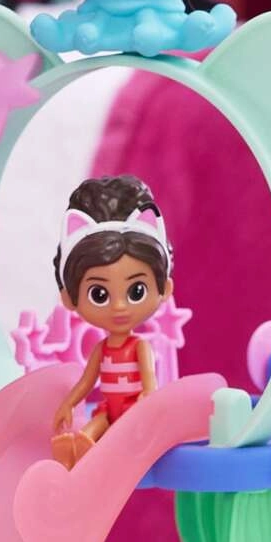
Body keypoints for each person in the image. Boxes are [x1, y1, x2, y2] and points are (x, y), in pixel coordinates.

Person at [47, 177, 172, 467]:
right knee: (93, 427)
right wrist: (68, 403)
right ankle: (75, 449)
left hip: (131, 412)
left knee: (111, 432)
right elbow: (87, 381)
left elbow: (149, 383)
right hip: (109, 410)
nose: (119, 306)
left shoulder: (139, 347)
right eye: (99, 294)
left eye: (136, 291)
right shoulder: (102, 350)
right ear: (69, 298)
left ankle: (88, 453)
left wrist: (148, 404)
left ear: (164, 289)